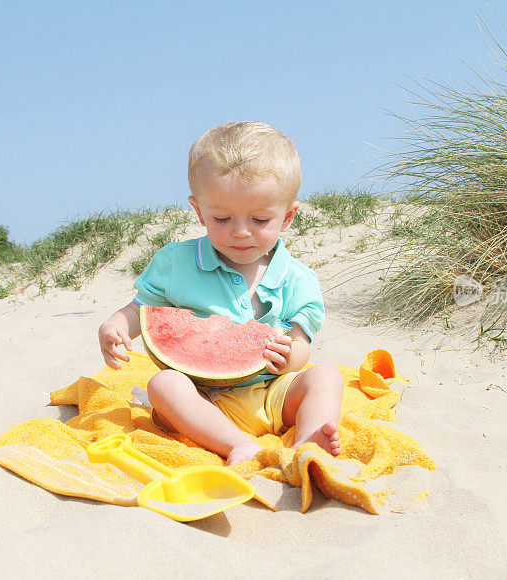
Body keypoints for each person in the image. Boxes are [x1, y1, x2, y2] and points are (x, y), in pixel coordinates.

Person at [97, 121, 343, 465]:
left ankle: (308, 440)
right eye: (222, 218)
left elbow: (302, 343)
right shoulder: (175, 263)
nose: (241, 232)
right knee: (164, 385)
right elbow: (140, 310)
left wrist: (292, 356)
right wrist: (115, 326)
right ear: (199, 211)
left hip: (272, 393)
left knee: (326, 376)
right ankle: (236, 444)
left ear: (287, 217)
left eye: (259, 220)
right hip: (203, 398)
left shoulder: (299, 279)